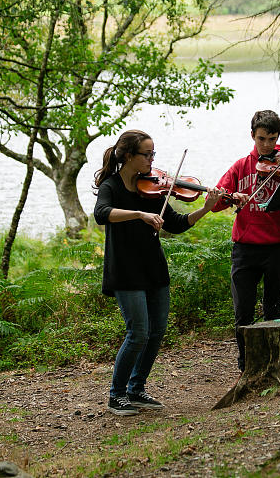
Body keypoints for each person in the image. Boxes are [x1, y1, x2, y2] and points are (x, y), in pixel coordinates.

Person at [93, 129, 221, 416]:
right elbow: (102, 213)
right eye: (147, 154)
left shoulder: (150, 188)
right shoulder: (111, 187)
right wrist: (139, 215)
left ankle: (136, 390)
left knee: (156, 332)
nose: (152, 160)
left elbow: (174, 223)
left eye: (154, 154)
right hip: (125, 270)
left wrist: (205, 208)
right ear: (128, 156)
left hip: (153, 267)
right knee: (138, 332)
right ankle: (116, 395)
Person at [212, 110, 280, 372]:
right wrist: (227, 197)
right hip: (245, 249)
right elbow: (216, 205)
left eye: (272, 139)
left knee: (274, 309)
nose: (267, 146)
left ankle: (273, 363)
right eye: (262, 139)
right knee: (243, 312)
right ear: (252, 136)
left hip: (277, 247)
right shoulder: (240, 167)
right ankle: (246, 365)